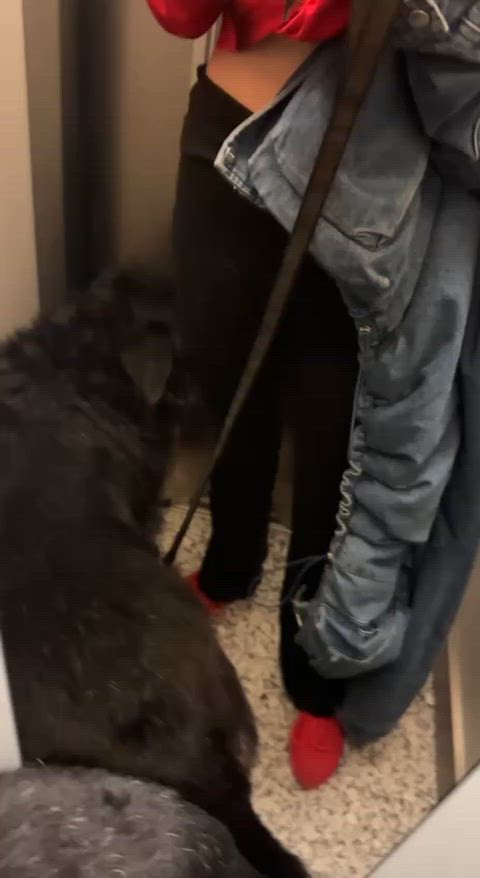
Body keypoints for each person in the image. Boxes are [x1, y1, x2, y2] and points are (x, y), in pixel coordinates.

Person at [147, 0, 355, 790]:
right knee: (222, 369)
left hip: (357, 158)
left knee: (333, 424)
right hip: (226, 130)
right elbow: (179, 15)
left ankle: (314, 665)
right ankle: (232, 562)